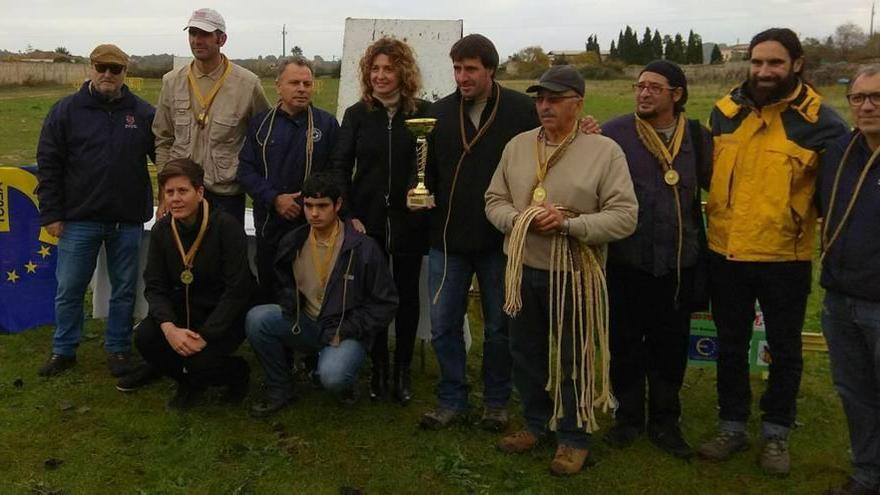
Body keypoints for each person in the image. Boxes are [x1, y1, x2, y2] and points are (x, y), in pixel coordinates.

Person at [696, 28, 848, 475]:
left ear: (797, 64)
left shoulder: (824, 122)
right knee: (729, 345)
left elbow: (835, 195)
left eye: (775, 63)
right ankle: (731, 426)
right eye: (758, 62)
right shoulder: (723, 113)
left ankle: (777, 434)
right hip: (726, 254)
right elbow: (709, 176)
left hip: (786, 259)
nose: (764, 71)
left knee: (784, 350)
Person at [485, 65, 638, 475]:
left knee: (575, 357)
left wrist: (570, 225)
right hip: (521, 270)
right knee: (525, 353)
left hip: (574, 273)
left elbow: (625, 217)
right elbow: (493, 199)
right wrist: (519, 220)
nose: (544, 106)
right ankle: (536, 424)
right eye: (540, 99)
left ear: (578, 104)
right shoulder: (518, 146)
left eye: (554, 99)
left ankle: (574, 436)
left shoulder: (604, 152)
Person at [417, 33, 539, 431]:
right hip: (448, 240)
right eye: (457, 68)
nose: (462, 77)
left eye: (470, 69)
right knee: (443, 324)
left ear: (490, 69)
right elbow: (426, 171)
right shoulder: (437, 112)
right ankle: (452, 397)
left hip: (499, 241)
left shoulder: (522, 110)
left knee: (500, 327)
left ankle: (496, 400)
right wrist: (419, 192)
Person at [600, 60, 712, 459]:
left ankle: (666, 422)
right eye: (639, 86)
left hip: (678, 263)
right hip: (626, 260)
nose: (644, 93)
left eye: (654, 88)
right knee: (624, 343)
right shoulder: (612, 133)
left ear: (676, 94)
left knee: (670, 346)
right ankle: (628, 419)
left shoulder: (698, 138)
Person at [35, 43, 154, 378]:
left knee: (124, 289)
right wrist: (52, 214)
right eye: (101, 67)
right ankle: (64, 349)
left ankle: (118, 349)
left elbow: (166, 158)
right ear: (91, 68)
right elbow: (49, 165)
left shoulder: (143, 113)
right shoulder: (66, 111)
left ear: (124, 73)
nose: (107, 75)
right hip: (78, 220)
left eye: (114, 69)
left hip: (126, 220)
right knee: (70, 288)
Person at [246, 172, 398, 416]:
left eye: (322, 206)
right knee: (257, 318)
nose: (314, 213)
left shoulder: (362, 247)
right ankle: (280, 386)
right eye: (308, 206)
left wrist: (348, 329)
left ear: (337, 205)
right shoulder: (293, 241)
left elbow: (386, 303)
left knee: (332, 377)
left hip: (343, 330)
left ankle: (340, 378)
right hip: (306, 323)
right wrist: (289, 301)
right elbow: (283, 281)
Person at [331, 37, 431, 403]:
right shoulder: (357, 115)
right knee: (372, 296)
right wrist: (348, 214)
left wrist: (418, 194)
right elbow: (341, 165)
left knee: (405, 296)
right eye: (375, 69)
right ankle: (379, 366)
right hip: (366, 223)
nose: (381, 75)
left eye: (388, 68)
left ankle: (402, 370)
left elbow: (429, 166)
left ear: (403, 71)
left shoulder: (423, 113)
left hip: (409, 222)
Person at [120, 158, 254, 409]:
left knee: (199, 360)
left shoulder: (226, 227)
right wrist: (169, 328)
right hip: (181, 310)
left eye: (183, 191)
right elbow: (155, 285)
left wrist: (206, 336)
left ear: (199, 192)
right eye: (169, 192)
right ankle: (187, 381)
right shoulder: (162, 230)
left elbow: (237, 289)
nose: (175, 199)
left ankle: (237, 373)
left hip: (222, 315)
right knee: (147, 338)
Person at [818, 65, 880, 495]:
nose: (867, 106)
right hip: (839, 297)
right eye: (859, 98)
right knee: (855, 393)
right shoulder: (840, 149)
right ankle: (867, 472)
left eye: (878, 97)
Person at [153, 7, 270, 225]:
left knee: (226, 256)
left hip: (226, 193)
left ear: (221, 39)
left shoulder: (247, 84)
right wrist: (165, 189)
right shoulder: (171, 82)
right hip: (182, 191)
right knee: (182, 255)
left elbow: (265, 138)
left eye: (205, 34)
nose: (197, 40)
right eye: (193, 33)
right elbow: (164, 138)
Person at [237, 56, 339, 302]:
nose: (302, 89)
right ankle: (268, 336)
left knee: (308, 291)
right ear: (278, 86)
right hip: (270, 225)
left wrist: (309, 202)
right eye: (294, 83)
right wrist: (275, 199)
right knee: (271, 290)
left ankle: (304, 338)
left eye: (307, 83)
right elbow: (245, 171)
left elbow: (337, 171)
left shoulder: (327, 124)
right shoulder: (261, 124)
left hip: (311, 226)